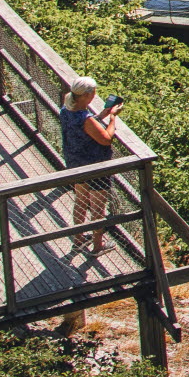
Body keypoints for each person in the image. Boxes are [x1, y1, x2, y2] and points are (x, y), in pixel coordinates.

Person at [59, 78, 123, 258]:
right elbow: (106, 138)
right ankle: (97, 246)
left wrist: (102, 114)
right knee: (97, 207)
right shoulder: (85, 118)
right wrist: (112, 118)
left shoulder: (67, 110)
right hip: (95, 166)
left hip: (75, 163)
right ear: (87, 95)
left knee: (80, 200)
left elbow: (85, 127)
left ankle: (78, 240)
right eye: (93, 91)